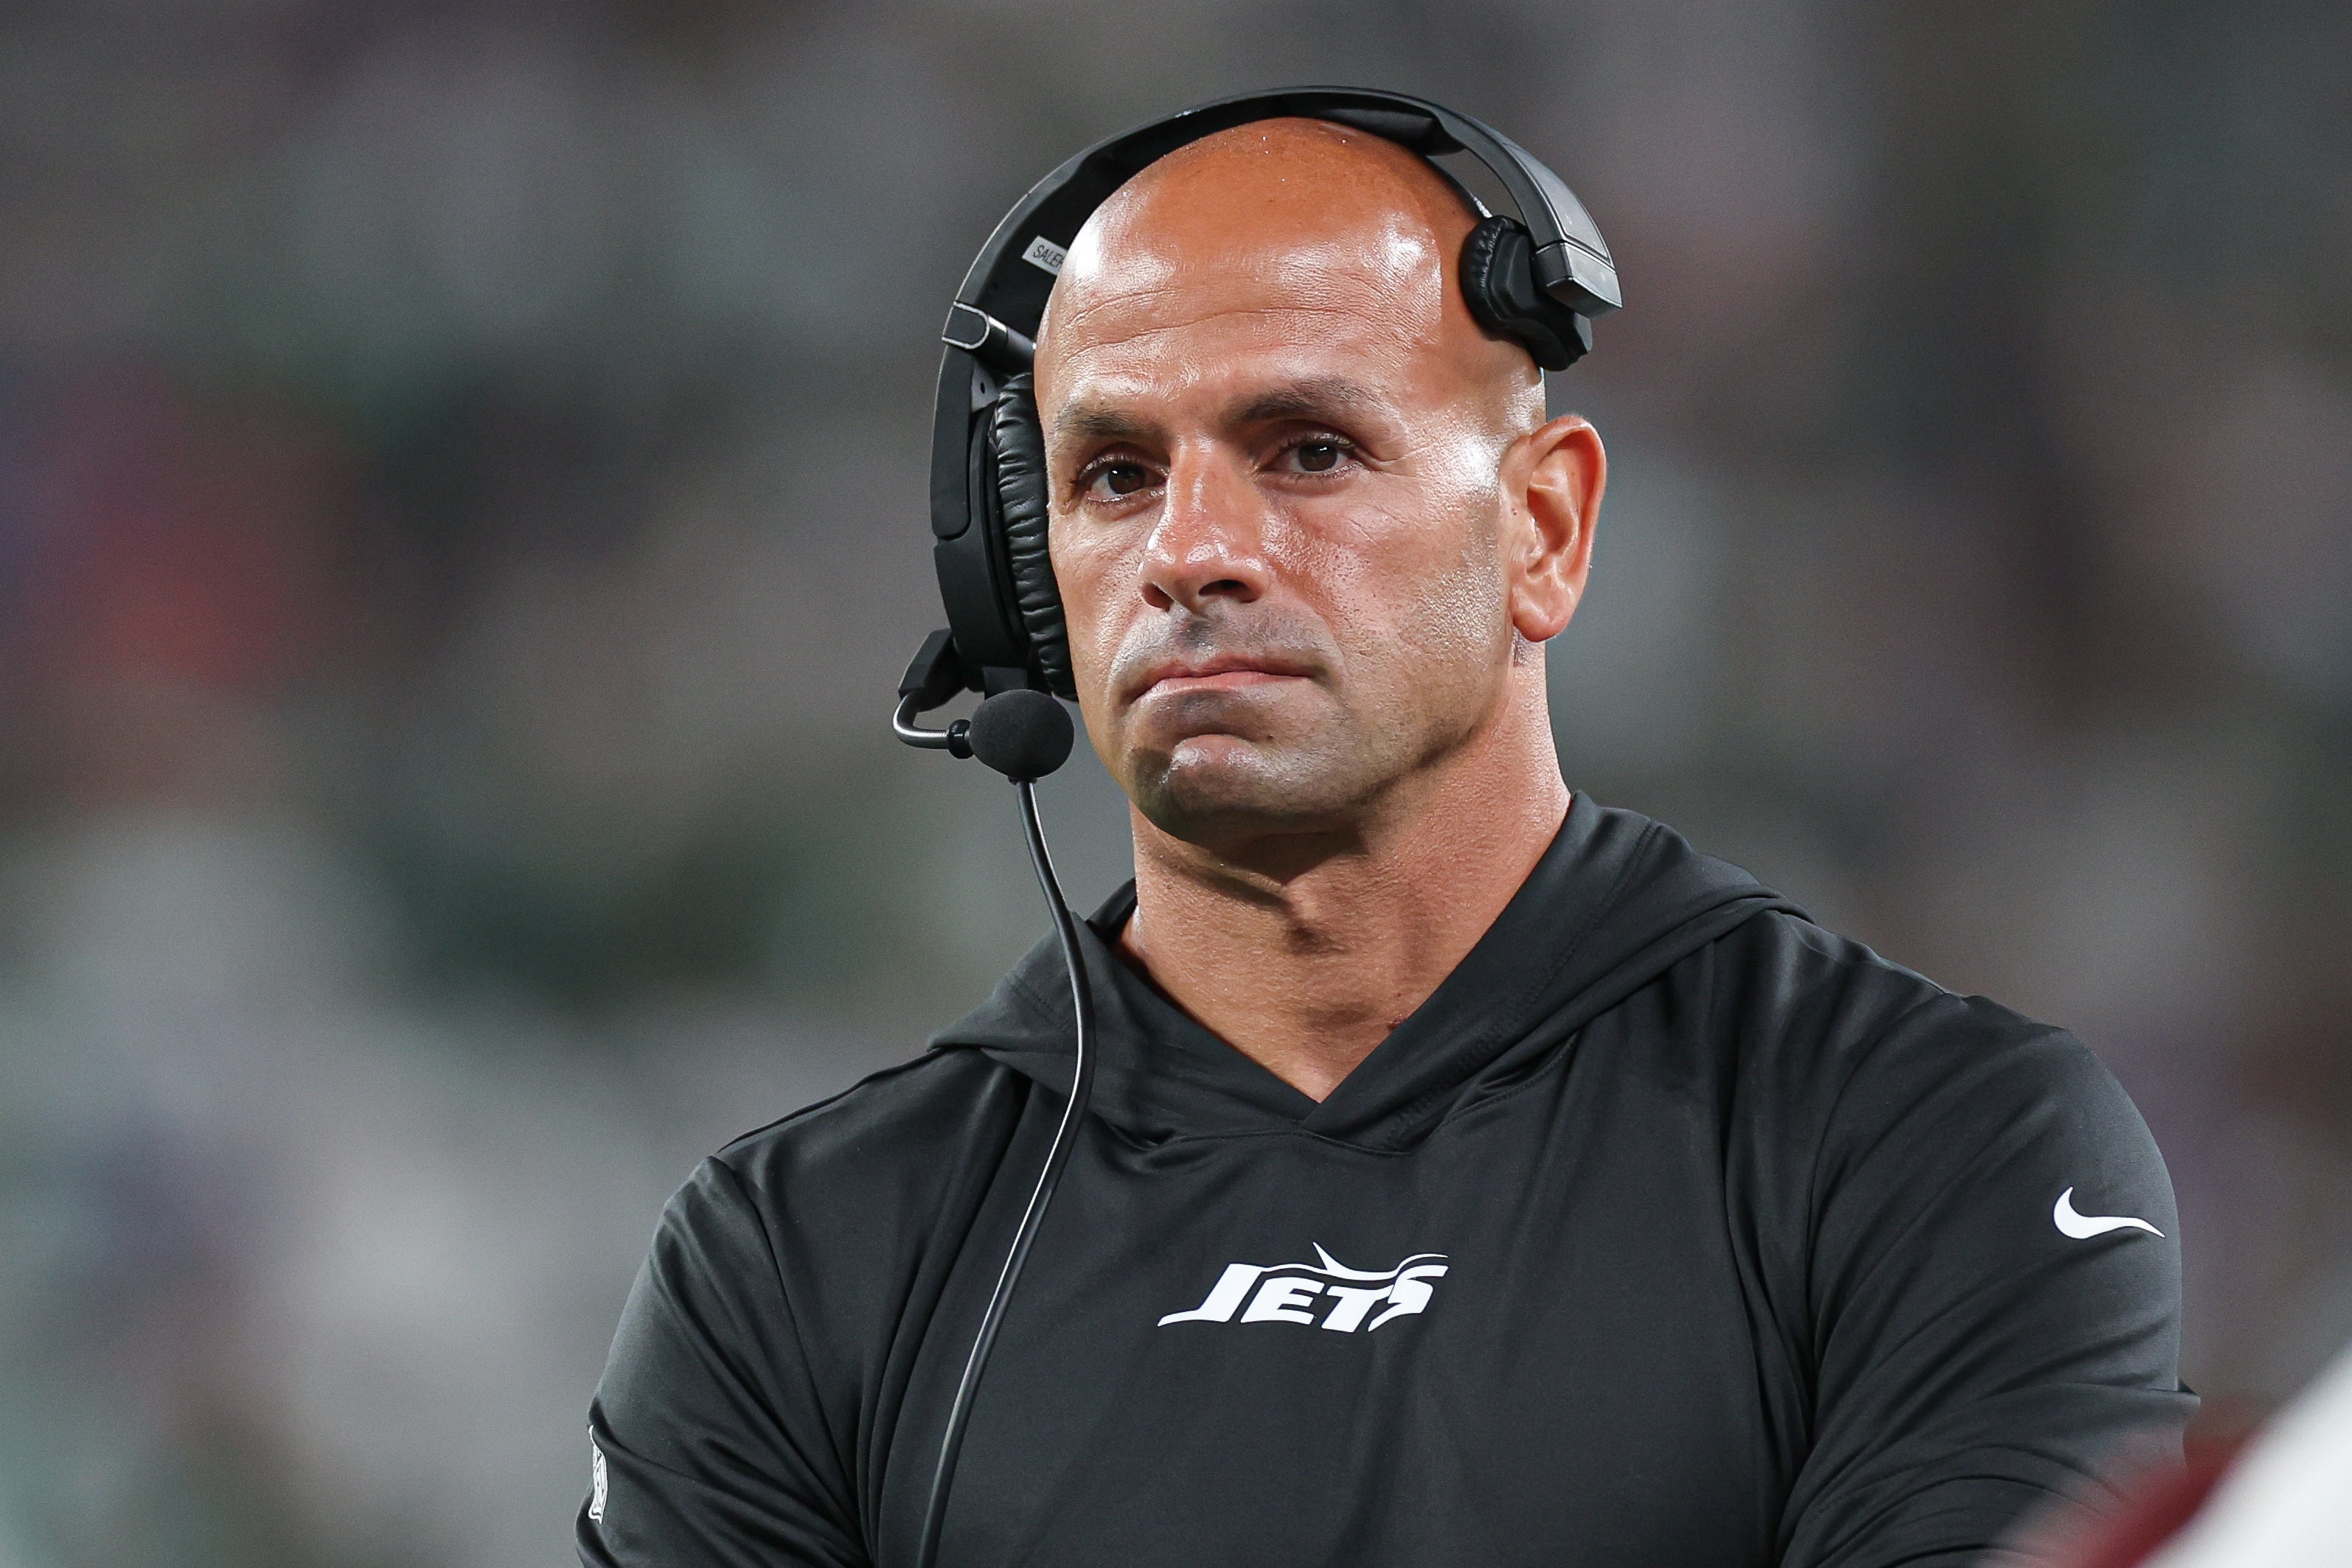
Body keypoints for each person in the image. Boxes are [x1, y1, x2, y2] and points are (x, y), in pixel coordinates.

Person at [579, 115, 2191, 1567]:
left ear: (1543, 528)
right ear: (1025, 572)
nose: (1189, 550)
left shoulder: (1930, 1147)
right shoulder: (795, 1254)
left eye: (1308, 450)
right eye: (1116, 474)